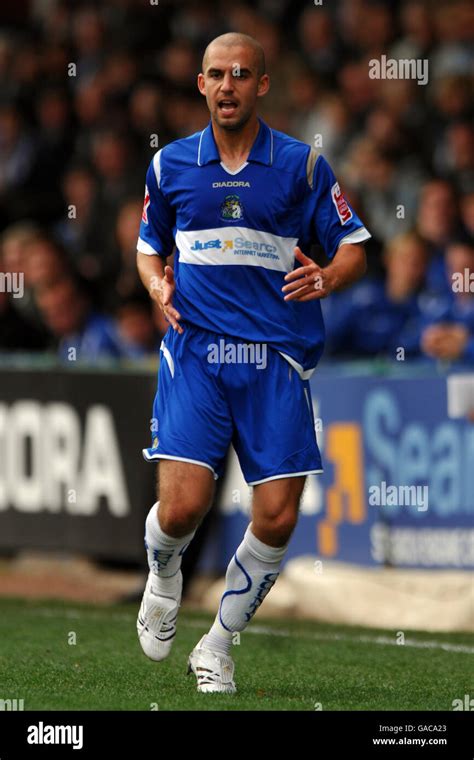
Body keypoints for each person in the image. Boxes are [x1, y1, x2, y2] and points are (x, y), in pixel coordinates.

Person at [135, 33, 370, 694]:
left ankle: (217, 646)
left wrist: (326, 277)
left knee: (276, 516)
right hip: (197, 355)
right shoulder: (171, 165)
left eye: (241, 73)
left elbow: (353, 245)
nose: (228, 85)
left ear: (262, 83)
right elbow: (147, 249)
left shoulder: (301, 166)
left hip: (275, 361)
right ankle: (163, 572)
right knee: (182, 509)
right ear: (202, 85)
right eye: (216, 74)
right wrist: (157, 286)